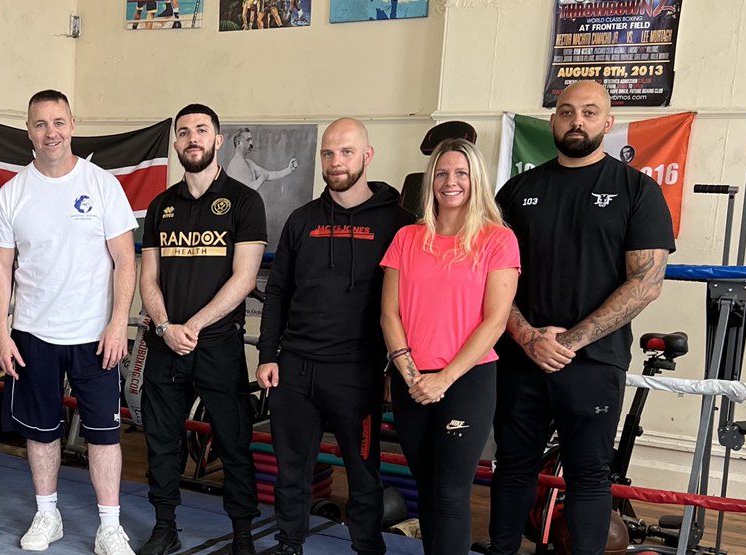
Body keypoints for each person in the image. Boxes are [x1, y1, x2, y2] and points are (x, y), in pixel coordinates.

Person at [488, 80, 674, 555]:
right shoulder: (517, 189)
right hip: (520, 357)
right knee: (512, 467)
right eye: (567, 112)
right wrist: (529, 337)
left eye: (589, 113)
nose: (577, 121)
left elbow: (646, 282)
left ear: (607, 124)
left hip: (592, 361)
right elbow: (488, 275)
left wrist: (567, 341)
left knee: (589, 475)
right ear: (553, 120)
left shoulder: (637, 190)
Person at [0, 89, 138, 555]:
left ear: (72, 124)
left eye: (58, 122)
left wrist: (118, 324)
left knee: (104, 435)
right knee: (41, 431)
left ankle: (109, 526)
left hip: (95, 335)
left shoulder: (102, 184)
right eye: (40, 124)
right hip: (32, 334)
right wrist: (3, 330)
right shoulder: (13, 193)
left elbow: (125, 261)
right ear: (28, 130)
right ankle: (47, 514)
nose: (50, 132)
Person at [256, 118, 413, 555]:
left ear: (367, 155)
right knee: (292, 469)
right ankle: (289, 543)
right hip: (295, 370)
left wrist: (394, 366)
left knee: (363, 471)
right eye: (328, 153)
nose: (335, 161)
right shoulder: (302, 220)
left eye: (345, 152)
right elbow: (278, 292)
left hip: (356, 373)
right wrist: (269, 354)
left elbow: (410, 303)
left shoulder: (399, 224)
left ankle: (367, 547)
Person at [379, 139, 519, 554]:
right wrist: (409, 373)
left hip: (466, 380)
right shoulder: (408, 237)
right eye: (441, 173)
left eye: (460, 173)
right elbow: (390, 313)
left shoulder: (498, 240)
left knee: (452, 493)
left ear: (475, 179)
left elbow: (495, 319)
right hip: (411, 380)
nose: (450, 182)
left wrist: (444, 378)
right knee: (426, 488)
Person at [137, 104, 265, 555]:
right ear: (176, 143)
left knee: (233, 444)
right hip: (165, 345)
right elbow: (147, 278)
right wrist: (166, 326)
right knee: (161, 443)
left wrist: (191, 324)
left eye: (202, 130)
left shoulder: (245, 202)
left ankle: (244, 536)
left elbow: (245, 278)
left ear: (218, 139)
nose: (193, 138)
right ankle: (165, 527)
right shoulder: (160, 205)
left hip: (217, 347)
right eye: (184, 132)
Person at [225, 127, 298, 191]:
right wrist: (263, 177)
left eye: (251, 140)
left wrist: (288, 170)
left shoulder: (248, 163)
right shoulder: (235, 165)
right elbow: (249, 191)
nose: (251, 143)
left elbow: (269, 174)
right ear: (238, 143)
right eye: (248, 140)